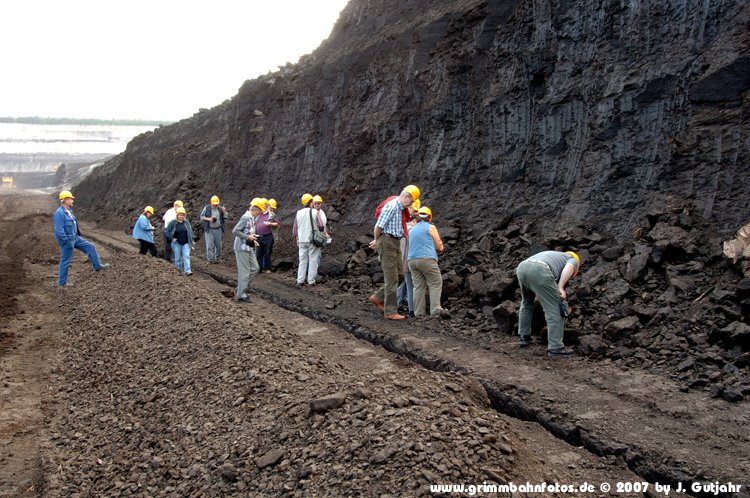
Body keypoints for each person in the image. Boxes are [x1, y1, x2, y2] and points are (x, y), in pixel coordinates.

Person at [368, 184, 421, 320]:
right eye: (412, 201)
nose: (411, 204)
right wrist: (377, 241)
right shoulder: (392, 207)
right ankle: (390, 312)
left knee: (400, 275)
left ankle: (377, 297)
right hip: (387, 242)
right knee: (392, 278)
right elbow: (378, 226)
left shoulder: (400, 209)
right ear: (407, 197)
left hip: (395, 241)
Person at [515, 250, 581, 358]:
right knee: (555, 309)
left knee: (526, 303)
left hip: (522, 267)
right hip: (540, 270)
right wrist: (560, 287)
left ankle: (524, 336)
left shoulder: (554, 255)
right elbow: (569, 267)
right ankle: (556, 348)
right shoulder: (572, 259)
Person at [53, 190, 109, 287]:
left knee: (90, 247)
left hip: (75, 237)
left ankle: (98, 266)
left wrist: (76, 236)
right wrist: (67, 241)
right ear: (65, 200)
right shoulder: (59, 213)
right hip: (68, 240)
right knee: (66, 260)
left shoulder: (69, 211)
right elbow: (59, 230)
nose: (72, 201)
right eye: (71, 199)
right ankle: (62, 283)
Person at [407, 205, 446, 317]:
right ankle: (435, 311)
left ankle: (418, 313)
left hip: (412, 261)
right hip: (426, 259)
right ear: (429, 217)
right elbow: (439, 246)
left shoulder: (412, 230)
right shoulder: (430, 227)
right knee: (435, 283)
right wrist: (440, 250)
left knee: (418, 286)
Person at [232, 198, 262, 303]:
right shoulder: (245, 217)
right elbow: (235, 231)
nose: (260, 214)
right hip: (241, 248)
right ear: (256, 210)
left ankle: (241, 288)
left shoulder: (252, 218)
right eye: (260, 211)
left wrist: (253, 240)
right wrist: (248, 237)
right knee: (244, 272)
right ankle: (241, 295)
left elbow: (248, 232)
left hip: (248, 247)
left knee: (255, 268)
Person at [293, 193, 323, 287]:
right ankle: (311, 281)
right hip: (312, 240)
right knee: (313, 260)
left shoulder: (298, 213)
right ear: (311, 202)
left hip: (301, 240)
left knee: (302, 260)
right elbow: (321, 226)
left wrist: (297, 237)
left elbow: (295, 229)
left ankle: (300, 281)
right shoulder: (315, 212)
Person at [396, 199, 420, 315]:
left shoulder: (403, 226)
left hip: (402, 258)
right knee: (410, 284)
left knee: (402, 282)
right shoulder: (413, 229)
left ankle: (398, 304)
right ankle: (411, 308)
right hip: (409, 259)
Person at [165, 207, 194, 276]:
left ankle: (187, 271)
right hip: (176, 243)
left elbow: (190, 231)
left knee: (186, 256)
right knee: (178, 258)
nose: (182, 216)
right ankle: (179, 271)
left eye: (183, 215)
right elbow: (167, 231)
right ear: (177, 215)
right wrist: (172, 238)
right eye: (180, 215)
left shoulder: (186, 222)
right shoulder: (173, 222)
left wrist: (191, 240)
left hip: (186, 242)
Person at [199, 195, 228, 263]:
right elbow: (201, 217)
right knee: (209, 245)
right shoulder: (207, 208)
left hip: (218, 229)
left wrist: (224, 212)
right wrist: (208, 219)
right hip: (209, 229)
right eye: (214, 204)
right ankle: (210, 259)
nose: (215, 205)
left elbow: (225, 217)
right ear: (211, 203)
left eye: (216, 204)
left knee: (219, 245)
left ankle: (217, 257)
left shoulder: (220, 209)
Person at [254, 198, 279, 273]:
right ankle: (258, 268)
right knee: (258, 253)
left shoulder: (271, 214)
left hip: (268, 236)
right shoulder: (258, 214)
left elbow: (277, 223)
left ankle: (266, 268)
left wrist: (270, 224)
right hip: (258, 236)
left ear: (267, 205)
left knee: (267, 253)